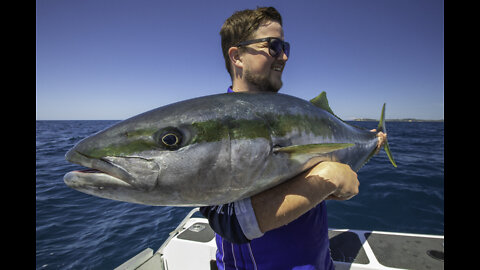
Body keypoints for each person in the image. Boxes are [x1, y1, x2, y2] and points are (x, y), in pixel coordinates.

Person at [200, 7, 385, 270]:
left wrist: (368, 144)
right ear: (237, 56)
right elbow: (229, 222)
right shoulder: (216, 127)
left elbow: (345, 182)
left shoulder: (298, 113)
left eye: (285, 46)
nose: (284, 56)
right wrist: (330, 176)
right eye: (273, 46)